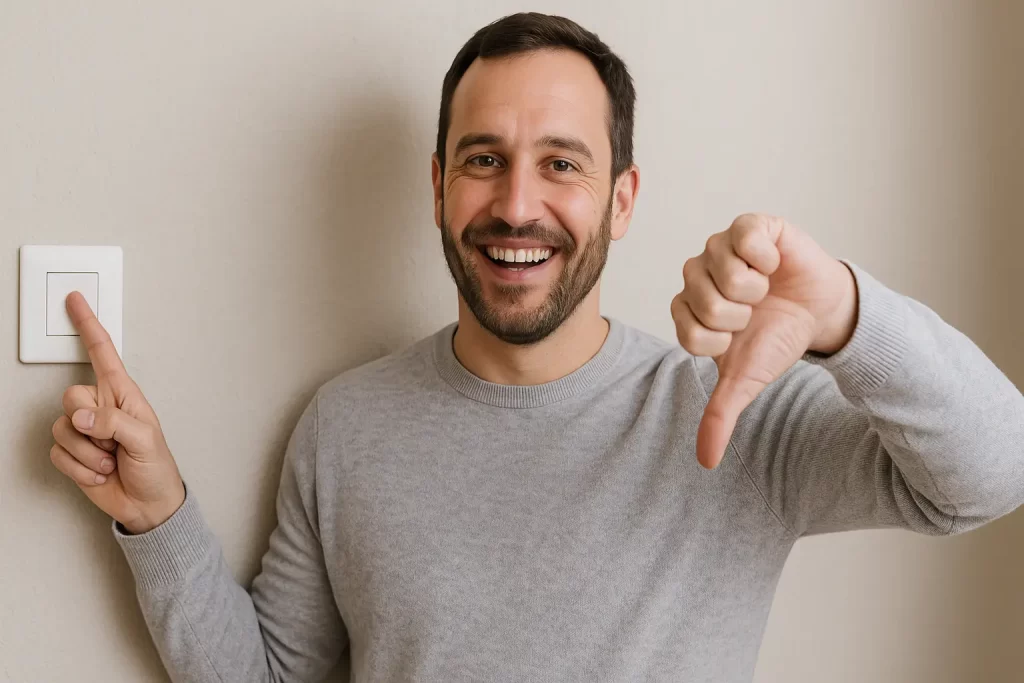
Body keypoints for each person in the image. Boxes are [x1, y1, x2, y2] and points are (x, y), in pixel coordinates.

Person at [49, 12, 1023, 683]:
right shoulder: (345, 424)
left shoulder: (728, 407)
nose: (516, 203)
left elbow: (993, 470)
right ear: (439, 186)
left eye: (560, 162)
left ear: (621, 197)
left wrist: (848, 312)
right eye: (484, 160)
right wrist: (160, 516)